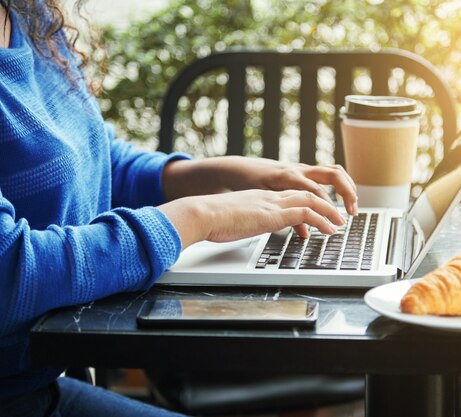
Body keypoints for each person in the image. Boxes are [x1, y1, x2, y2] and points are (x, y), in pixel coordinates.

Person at [0, 1, 358, 416]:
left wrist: (209, 174)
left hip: (39, 388)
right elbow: (9, 271)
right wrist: (201, 217)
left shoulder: (30, 16)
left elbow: (95, 162)